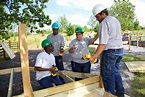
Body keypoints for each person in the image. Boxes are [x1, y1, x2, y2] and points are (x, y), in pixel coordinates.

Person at [90, 4, 124, 97]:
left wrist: (94, 56)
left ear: (103, 14)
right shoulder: (114, 20)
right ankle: (120, 94)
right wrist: (93, 39)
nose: (96, 19)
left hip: (110, 52)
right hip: (119, 50)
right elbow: (102, 33)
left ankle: (110, 95)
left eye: (97, 17)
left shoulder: (104, 23)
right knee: (116, 73)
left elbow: (103, 43)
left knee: (108, 76)